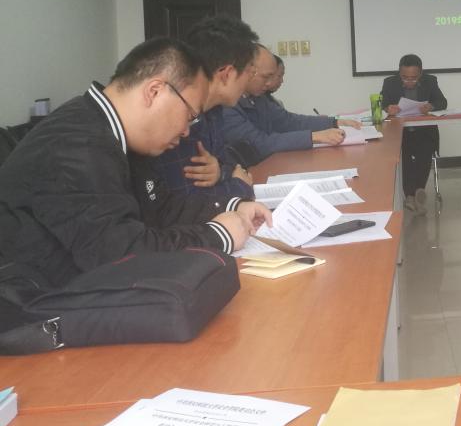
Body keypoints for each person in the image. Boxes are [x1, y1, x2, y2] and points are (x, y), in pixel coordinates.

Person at [0, 38, 270, 290]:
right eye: (189, 115)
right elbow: (121, 258)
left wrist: (231, 207)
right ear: (154, 91)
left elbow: (160, 207)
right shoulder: (78, 145)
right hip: (35, 305)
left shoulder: (115, 131)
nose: (186, 131)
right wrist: (218, 235)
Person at [155, 15, 260, 210]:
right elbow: (186, 204)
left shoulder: (215, 110)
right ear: (227, 74)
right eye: (249, 72)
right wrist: (239, 186)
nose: (249, 81)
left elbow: (227, 164)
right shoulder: (180, 121)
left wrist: (222, 173)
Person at [223, 45, 358, 163]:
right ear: (245, 70)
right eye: (265, 77)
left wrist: (334, 122)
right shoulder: (227, 106)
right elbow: (259, 144)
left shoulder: (258, 98)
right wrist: (314, 137)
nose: (269, 83)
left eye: (272, 77)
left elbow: (288, 122)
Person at [381, 54, 448, 214]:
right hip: (401, 132)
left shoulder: (430, 81)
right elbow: (382, 103)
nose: (409, 81)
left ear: (420, 73)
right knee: (403, 156)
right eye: (405, 78)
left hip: (424, 132)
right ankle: (411, 195)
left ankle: (417, 192)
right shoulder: (389, 83)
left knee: (424, 152)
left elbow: (442, 102)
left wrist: (431, 106)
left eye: (413, 78)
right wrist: (388, 108)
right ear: (399, 73)